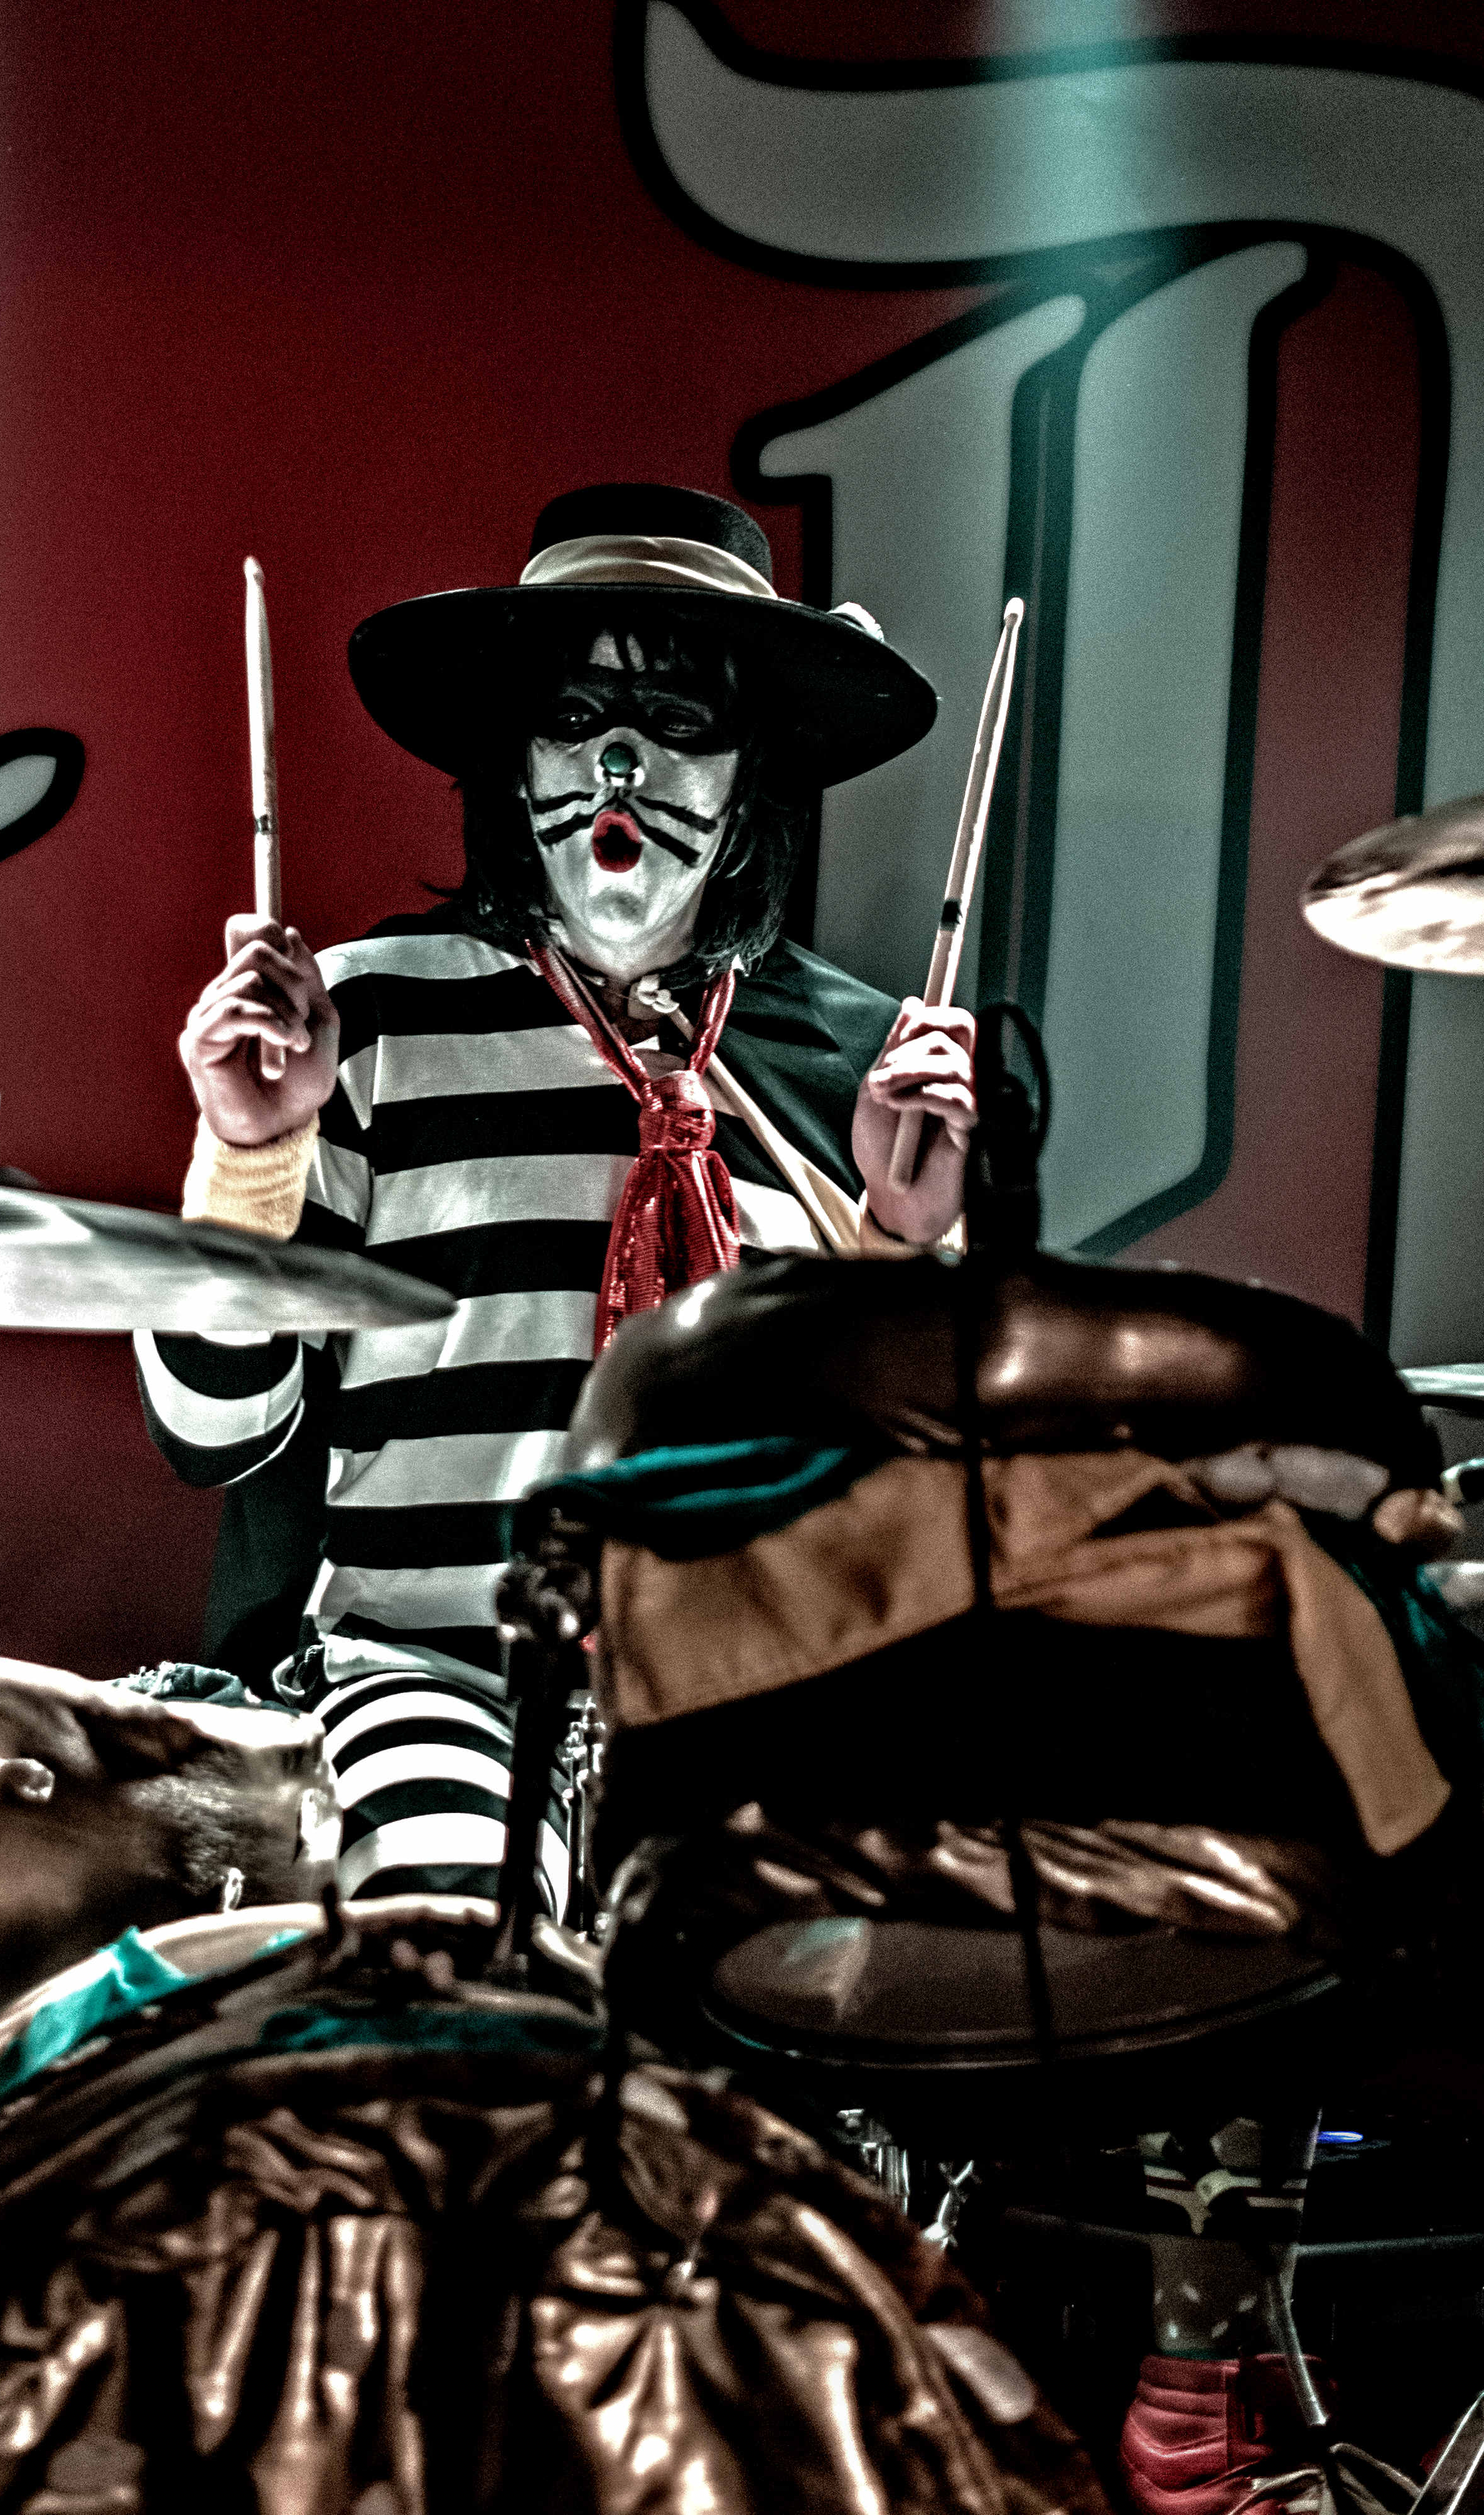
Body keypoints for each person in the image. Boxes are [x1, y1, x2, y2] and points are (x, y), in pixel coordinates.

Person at [136, 482, 976, 1905]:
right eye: (573, 715)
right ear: (510, 762)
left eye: (679, 719)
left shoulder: (870, 1071)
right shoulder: (362, 1017)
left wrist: (909, 1247)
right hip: (432, 1668)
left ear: (753, 772)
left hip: (754, 1700)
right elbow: (210, 1433)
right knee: (458, 1915)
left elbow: (921, 1513)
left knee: (824, 1964)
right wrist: (251, 1149)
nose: (620, 762)